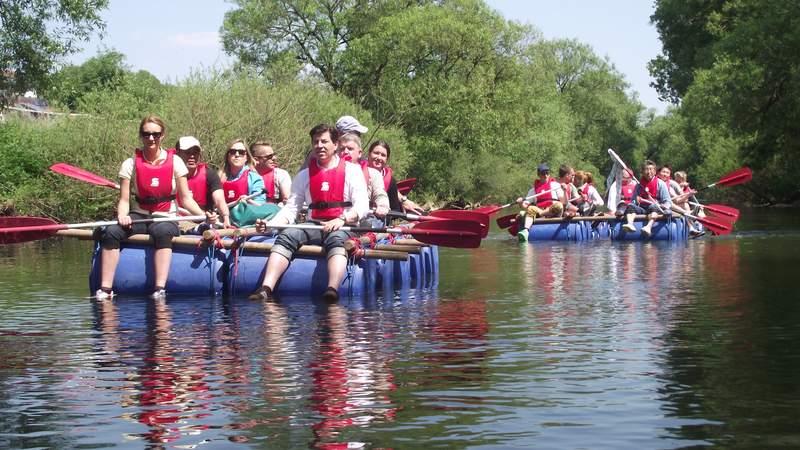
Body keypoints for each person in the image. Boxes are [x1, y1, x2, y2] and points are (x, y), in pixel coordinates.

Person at [249, 124, 369, 303]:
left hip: (344, 224)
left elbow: (362, 206)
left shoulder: (353, 171)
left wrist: (342, 219)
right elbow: (291, 208)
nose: (319, 145)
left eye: (324, 141)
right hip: (314, 224)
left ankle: (332, 288)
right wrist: (271, 224)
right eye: (316, 142)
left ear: (335, 144)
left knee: (337, 239)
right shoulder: (304, 175)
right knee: (287, 236)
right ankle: (266, 288)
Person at [95, 116, 211, 300]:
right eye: (146, 134)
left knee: (163, 231)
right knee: (111, 232)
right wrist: (122, 215)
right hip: (140, 214)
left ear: (162, 135)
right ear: (141, 135)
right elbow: (124, 199)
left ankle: (159, 288)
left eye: (155, 134)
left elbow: (186, 199)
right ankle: (106, 289)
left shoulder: (176, 162)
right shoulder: (130, 164)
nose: (151, 138)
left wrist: (204, 216)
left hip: (167, 215)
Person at [175, 136, 231, 229]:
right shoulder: (170, 175)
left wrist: (226, 218)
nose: (192, 156)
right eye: (187, 152)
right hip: (177, 221)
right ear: (178, 153)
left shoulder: (210, 174)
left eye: (195, 152)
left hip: (203, 222)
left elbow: (219, 200)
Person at [337, 133, 390, 222]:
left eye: (350, 149)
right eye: (342, 149)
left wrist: (382, 205)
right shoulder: (329, 171)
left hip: (361, 218)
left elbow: (380, 194)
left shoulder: (373, 173)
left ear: (359, 153)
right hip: (335, 216)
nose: (345, 152)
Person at [366, 140, 424, 214]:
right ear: (369, 154)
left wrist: (404, 201)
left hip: (380, 217)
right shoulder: (356, 171)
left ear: (387, 159)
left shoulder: (390, 181)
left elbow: (394, 208)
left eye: (383, 155)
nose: (379, 157)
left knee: (417, 212)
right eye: (376, 153)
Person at [621, 160, 672, 237]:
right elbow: (633, 201)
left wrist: (665, 207)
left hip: (655, 207)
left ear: (655, 172)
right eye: (646, 169)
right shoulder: (639, 185)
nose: (649, 172)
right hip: (642, 208)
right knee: (630, 206)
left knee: (653, 206)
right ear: (643, 172)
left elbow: (667, 202)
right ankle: (630, 224)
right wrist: (636, 200)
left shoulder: (661, 184)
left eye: (651, 169)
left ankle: (648, 227)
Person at [515, 163, 564, 242]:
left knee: (559, 205)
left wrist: (564, 190)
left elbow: (563, 201)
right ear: (538, 174)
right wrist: (520, 203)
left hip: (553, 210)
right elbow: (525, 206)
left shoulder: (555, 185)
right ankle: (526, 231)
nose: (545, 175)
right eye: (543, 173)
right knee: (530, 208)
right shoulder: (533, 190)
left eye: (547, 173)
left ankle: (542, 214)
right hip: (540, 211)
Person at [219, 139, 266, 205]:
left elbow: (260, 203)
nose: (237, 155)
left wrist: (248, 200)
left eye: (241, 152)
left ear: (246, 157)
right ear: (228, 156)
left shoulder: (255, 178)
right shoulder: (218, 178)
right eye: (233, 151)